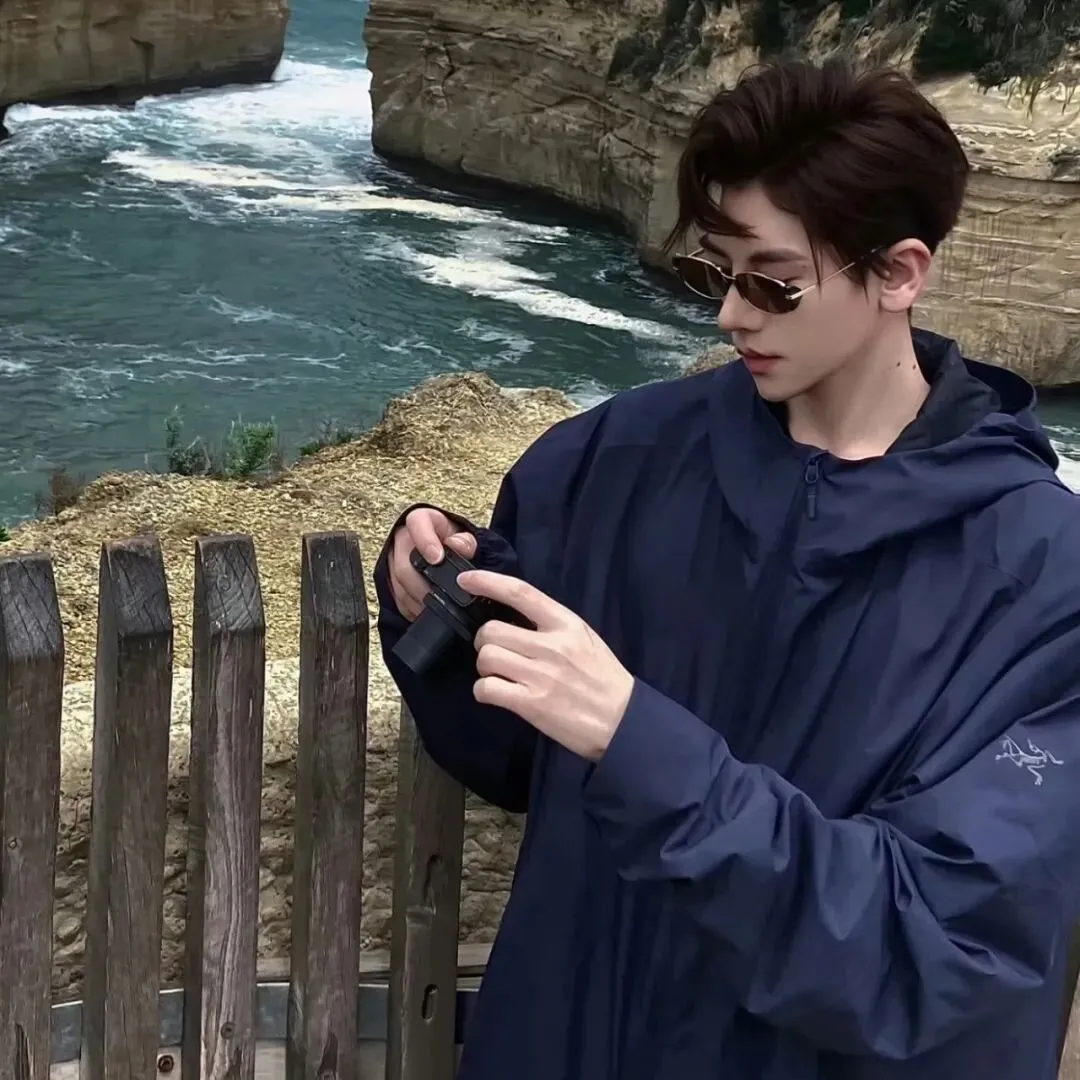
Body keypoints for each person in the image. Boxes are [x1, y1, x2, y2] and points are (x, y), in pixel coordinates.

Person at [372, 56, 1080, 1080]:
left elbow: (935, 946)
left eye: (773, 283)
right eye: (717, 272)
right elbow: (517, 760)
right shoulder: (611, 458)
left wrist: (636, 741)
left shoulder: (1042, 579)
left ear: (899, 273)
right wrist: (439, 601)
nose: (730, 316)